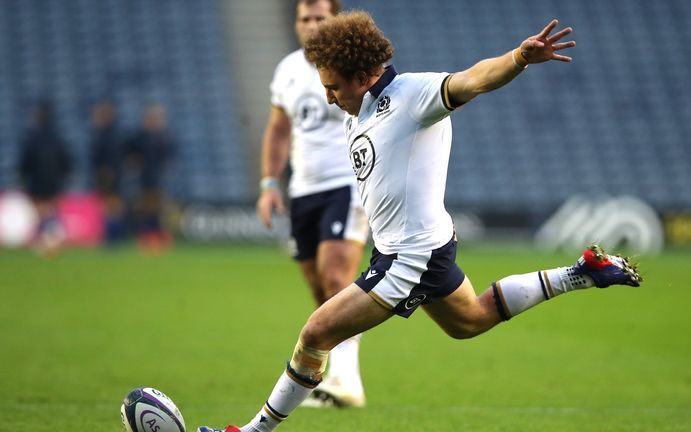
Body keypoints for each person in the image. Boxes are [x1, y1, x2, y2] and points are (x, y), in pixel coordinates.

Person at [199, 12, 642, 432]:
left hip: (409, 256)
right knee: (471, 320)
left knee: (316, 332)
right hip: (424, 244)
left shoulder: (412, 95)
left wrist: (518, 58)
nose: (330, 98)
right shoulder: (360, 113)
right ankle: (580, 272)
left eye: (333, 87)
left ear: (362, 75)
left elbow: (472, 79)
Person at [256, 0, 369, 407]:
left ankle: (349, 381)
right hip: (303, 190)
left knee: (337, 278)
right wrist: (270, 183)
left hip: (350, 183)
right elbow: (278, 131)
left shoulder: (355, 67)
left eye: (320, 18)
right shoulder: (288, 70)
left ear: (335, 21)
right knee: (321, 291)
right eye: (305, 18)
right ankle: (328, 380)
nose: (311, 25)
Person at [18, 102, 72, 254]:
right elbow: (66, 162)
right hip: (54, 181)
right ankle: (54, 239)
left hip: (37, 181)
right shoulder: (58, 138)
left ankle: (45, 241)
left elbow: (25, 162)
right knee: (52, 210)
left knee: (41, 211)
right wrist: (63, 175)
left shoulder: (32, 138)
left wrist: (23, 177)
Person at [124, 103, 175, 251]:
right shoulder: (139, 137)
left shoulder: (163, 137)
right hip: (144, 179)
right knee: (145, 209)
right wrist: (132, 163)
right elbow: (126, 152)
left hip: (158, 179)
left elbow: (170, 156)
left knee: (158, 209)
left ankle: (159, 238)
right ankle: (146, 238)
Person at [89, 100, 125, 245]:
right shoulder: (111, 133)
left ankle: (113, 236)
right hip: (113, 173)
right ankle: (113, 236)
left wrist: (105, 172)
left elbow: (106, 156)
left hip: (108, 174)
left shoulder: (106, 135)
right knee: (111, 205)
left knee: (110, 205)